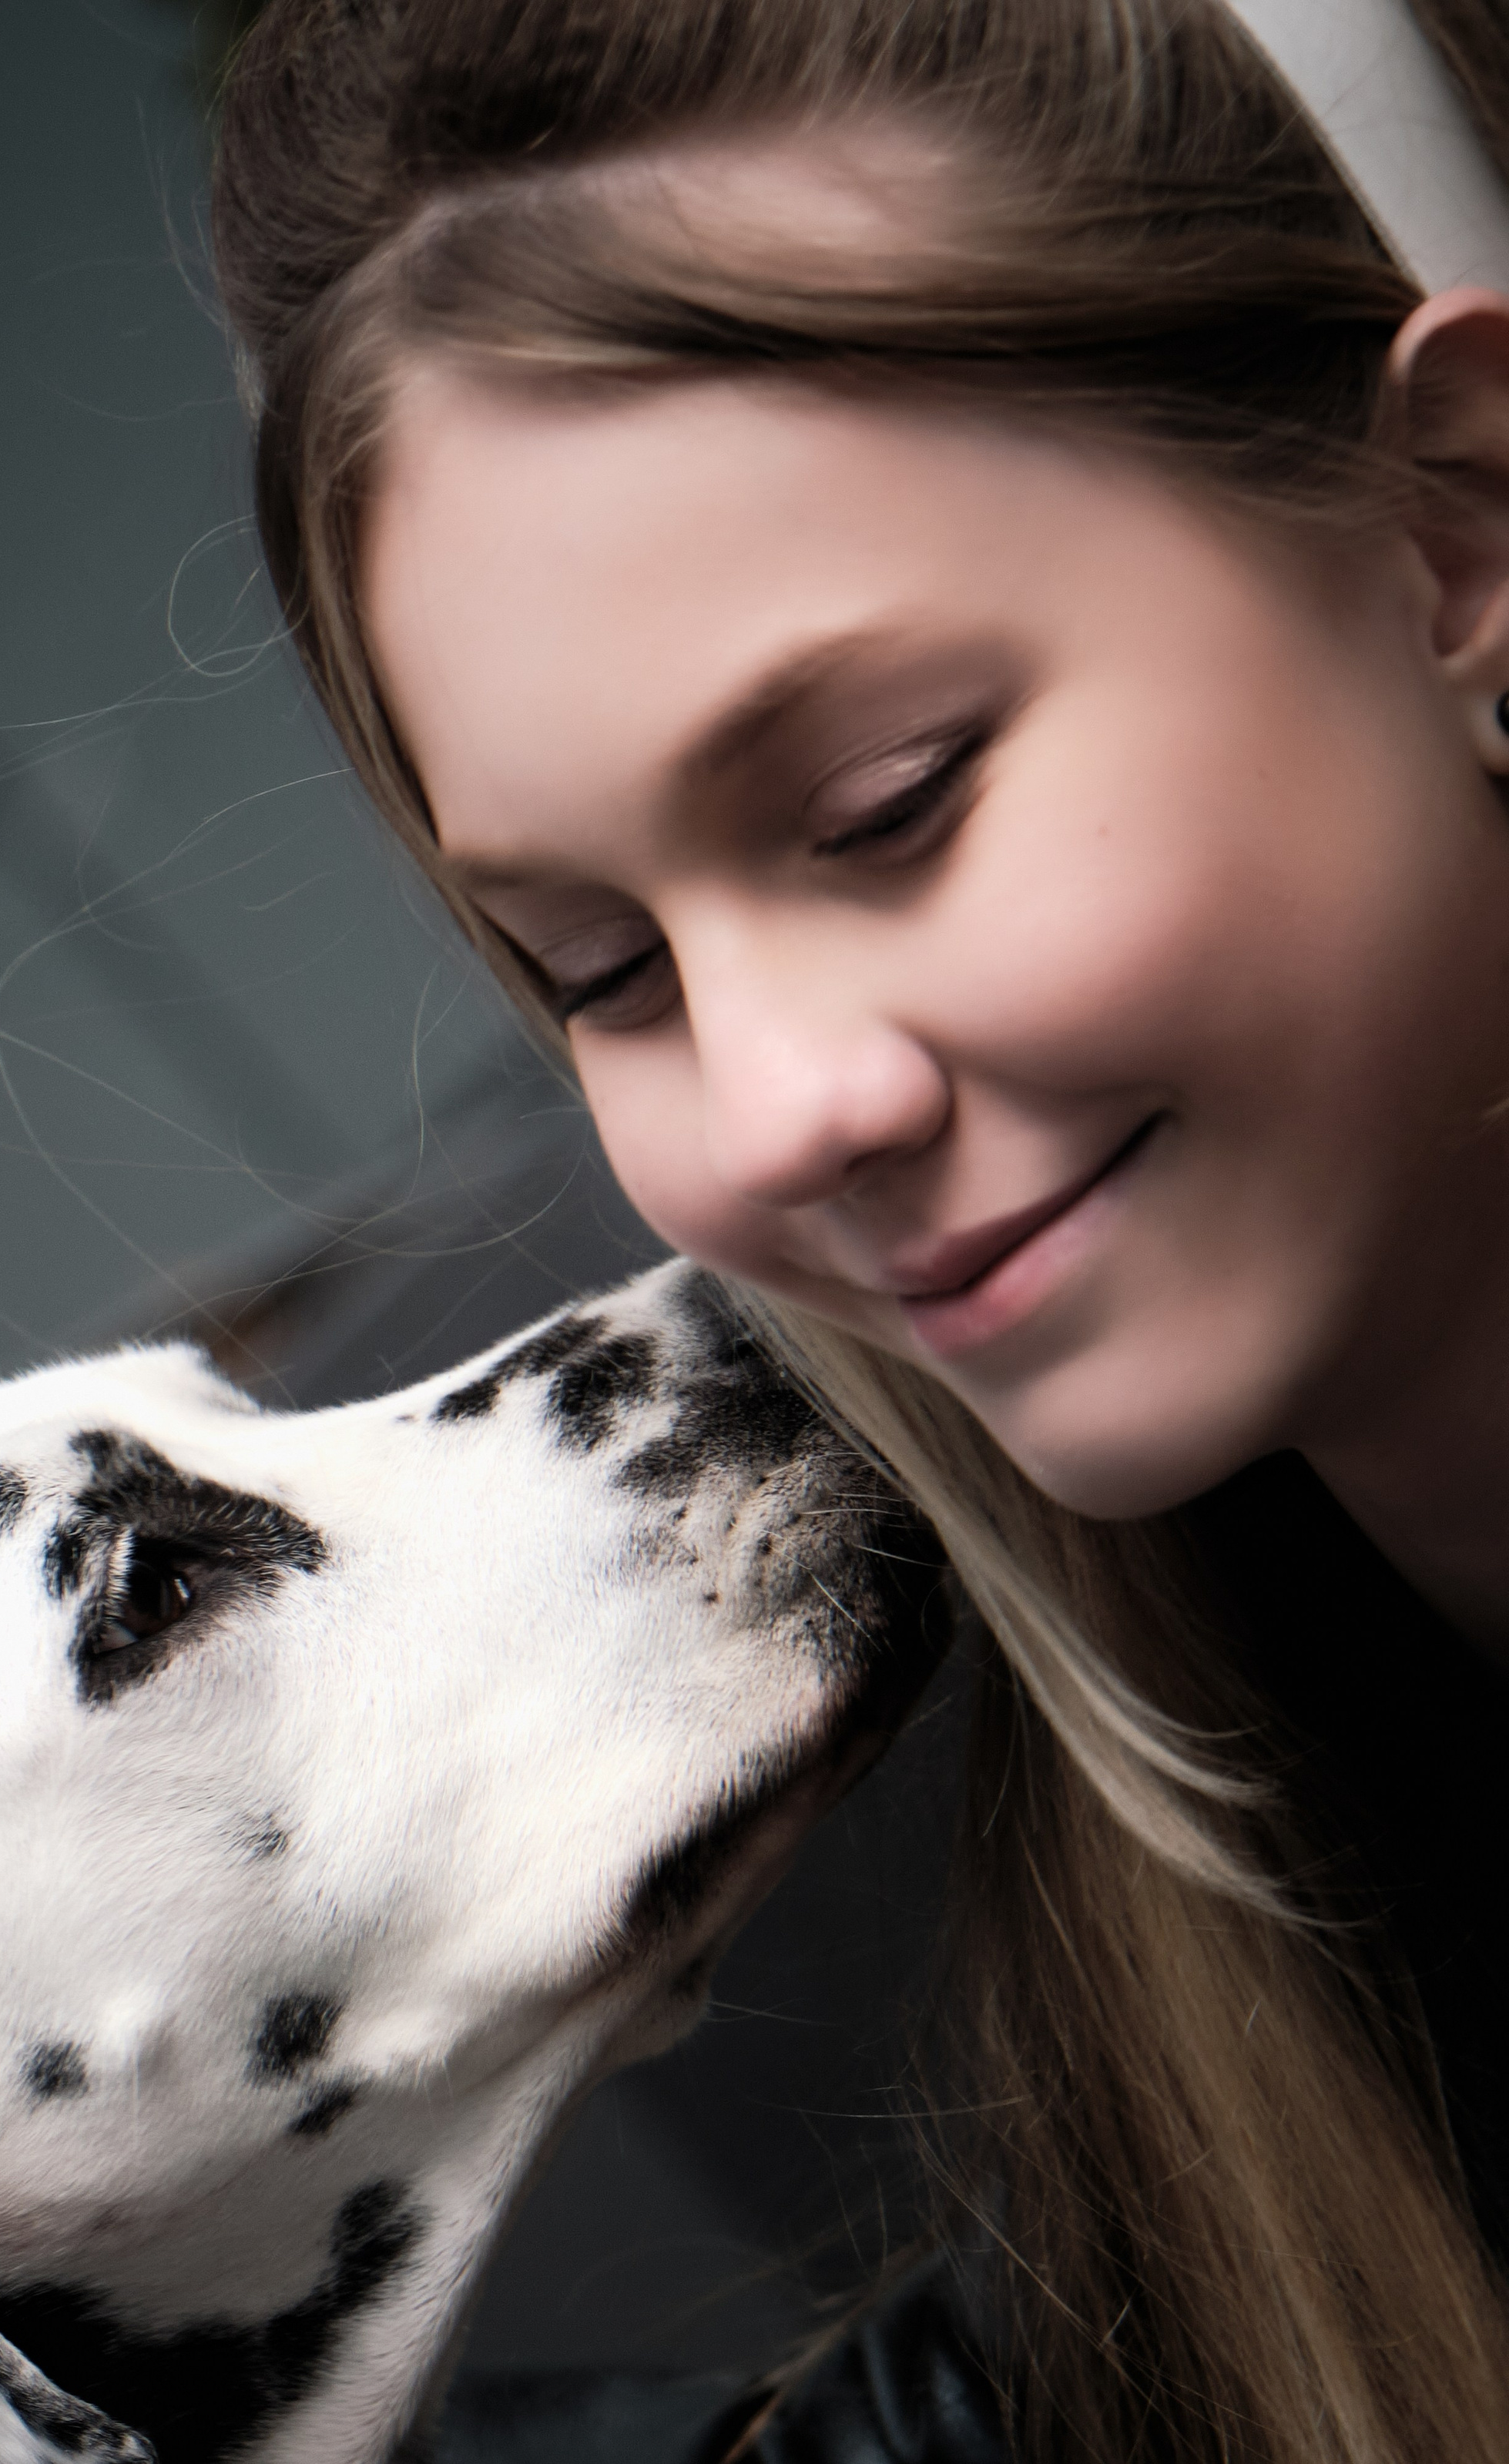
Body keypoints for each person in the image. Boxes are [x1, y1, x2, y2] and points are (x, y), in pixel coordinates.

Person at [206, 2, 1509, 2458]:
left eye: (889, 803)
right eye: (605, 971)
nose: (782, 1108)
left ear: (1459, 524)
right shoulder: (1225, 2002)